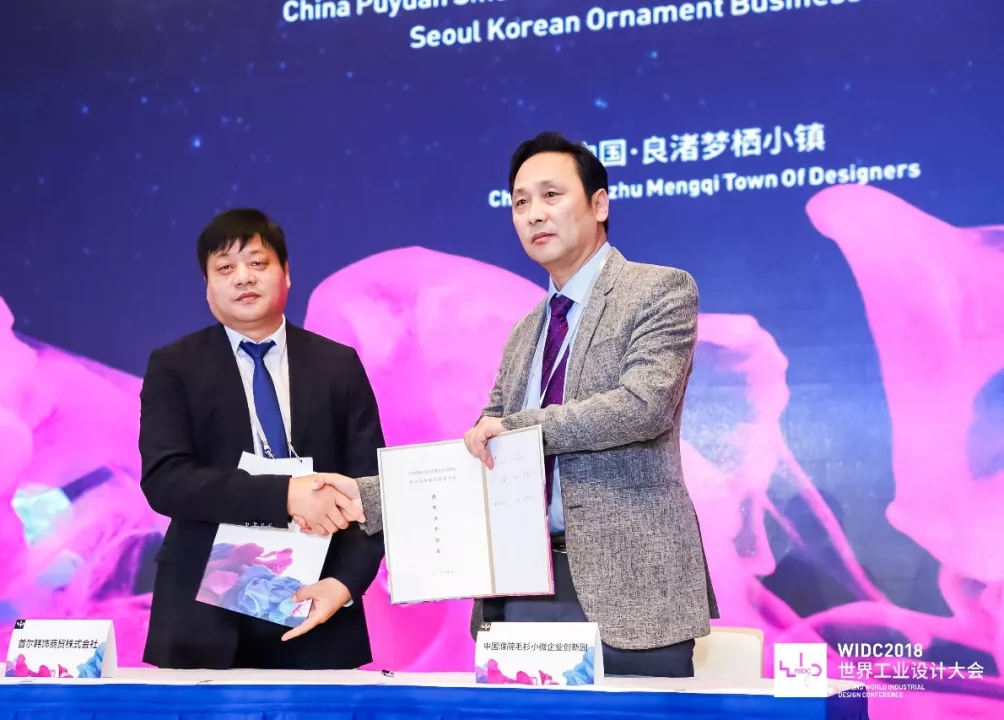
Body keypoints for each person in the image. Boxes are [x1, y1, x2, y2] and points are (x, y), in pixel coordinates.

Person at [307, 132, 719, 677]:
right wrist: (366, 497)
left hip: (631, 588)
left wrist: (517, 428)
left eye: (551, 195)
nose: (533, 214)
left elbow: (642, 406)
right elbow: (485, 452)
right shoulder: (526, 330)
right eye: (521, 202)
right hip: (524, 584)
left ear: (599, 204)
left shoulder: (659, 290)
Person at [138, 208, 379, 670]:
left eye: (257, 263)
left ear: (286, 273)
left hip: (318, 609)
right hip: (201, 617)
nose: (243, 277)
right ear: (207, 286)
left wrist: (345, 584)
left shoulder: (338, 365)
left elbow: (371, 488)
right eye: (224, 268)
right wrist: (286, 494)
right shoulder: (175, 366)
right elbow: (166, 480)